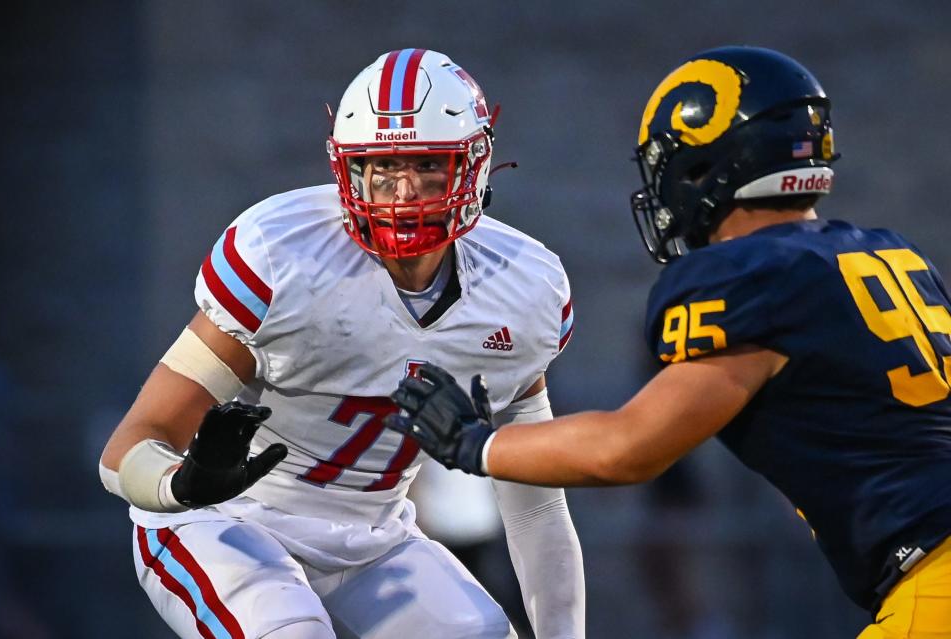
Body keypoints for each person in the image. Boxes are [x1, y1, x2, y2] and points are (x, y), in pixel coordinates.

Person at [386, 46, 951, 639]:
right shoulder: (888, 253)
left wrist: (477, 444)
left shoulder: (750, 276)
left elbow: (627, 448)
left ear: (705, 168)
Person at [98, 48, 585, 639]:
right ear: (348, 169)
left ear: (474, 164)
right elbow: (128, 444)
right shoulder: (283, 258)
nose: (403, 192)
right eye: (381, 165)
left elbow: (534, 505)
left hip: (373, 539)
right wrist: (181, 484)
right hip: (224, 519)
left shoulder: (522, 290)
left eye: (428, 164)